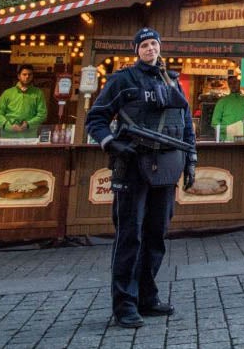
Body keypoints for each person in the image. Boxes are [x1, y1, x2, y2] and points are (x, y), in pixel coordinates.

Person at [85, 28, 197, 328]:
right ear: (136, 49)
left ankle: (147, 297)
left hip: (168, 166)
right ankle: (124, 305)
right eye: (145, 45)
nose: (150, 49)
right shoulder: (122, 80)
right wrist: (111, 142)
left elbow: (186, 125)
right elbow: (95, 118)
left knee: (156, 234)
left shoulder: (173, 81)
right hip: (133, 167)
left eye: (154, 44)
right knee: (130, 236)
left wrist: (191, 163)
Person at [0, 64, 47, 138]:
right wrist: (9, 126)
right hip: (8, 136)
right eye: (24, 74)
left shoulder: (38, 93)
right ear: (19, 76)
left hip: (28, 136)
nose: (27, 77)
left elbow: (42, 114)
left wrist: (28, 124)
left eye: (29, 74)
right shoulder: (7, 93)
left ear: (32, 76)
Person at [211, 72, 244, 140]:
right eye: (230, 83)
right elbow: (215, 123)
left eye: (235, 82)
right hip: (226, 141)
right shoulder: (222, 102)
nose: (233, 85)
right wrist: (229, 129)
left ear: (240, 82)